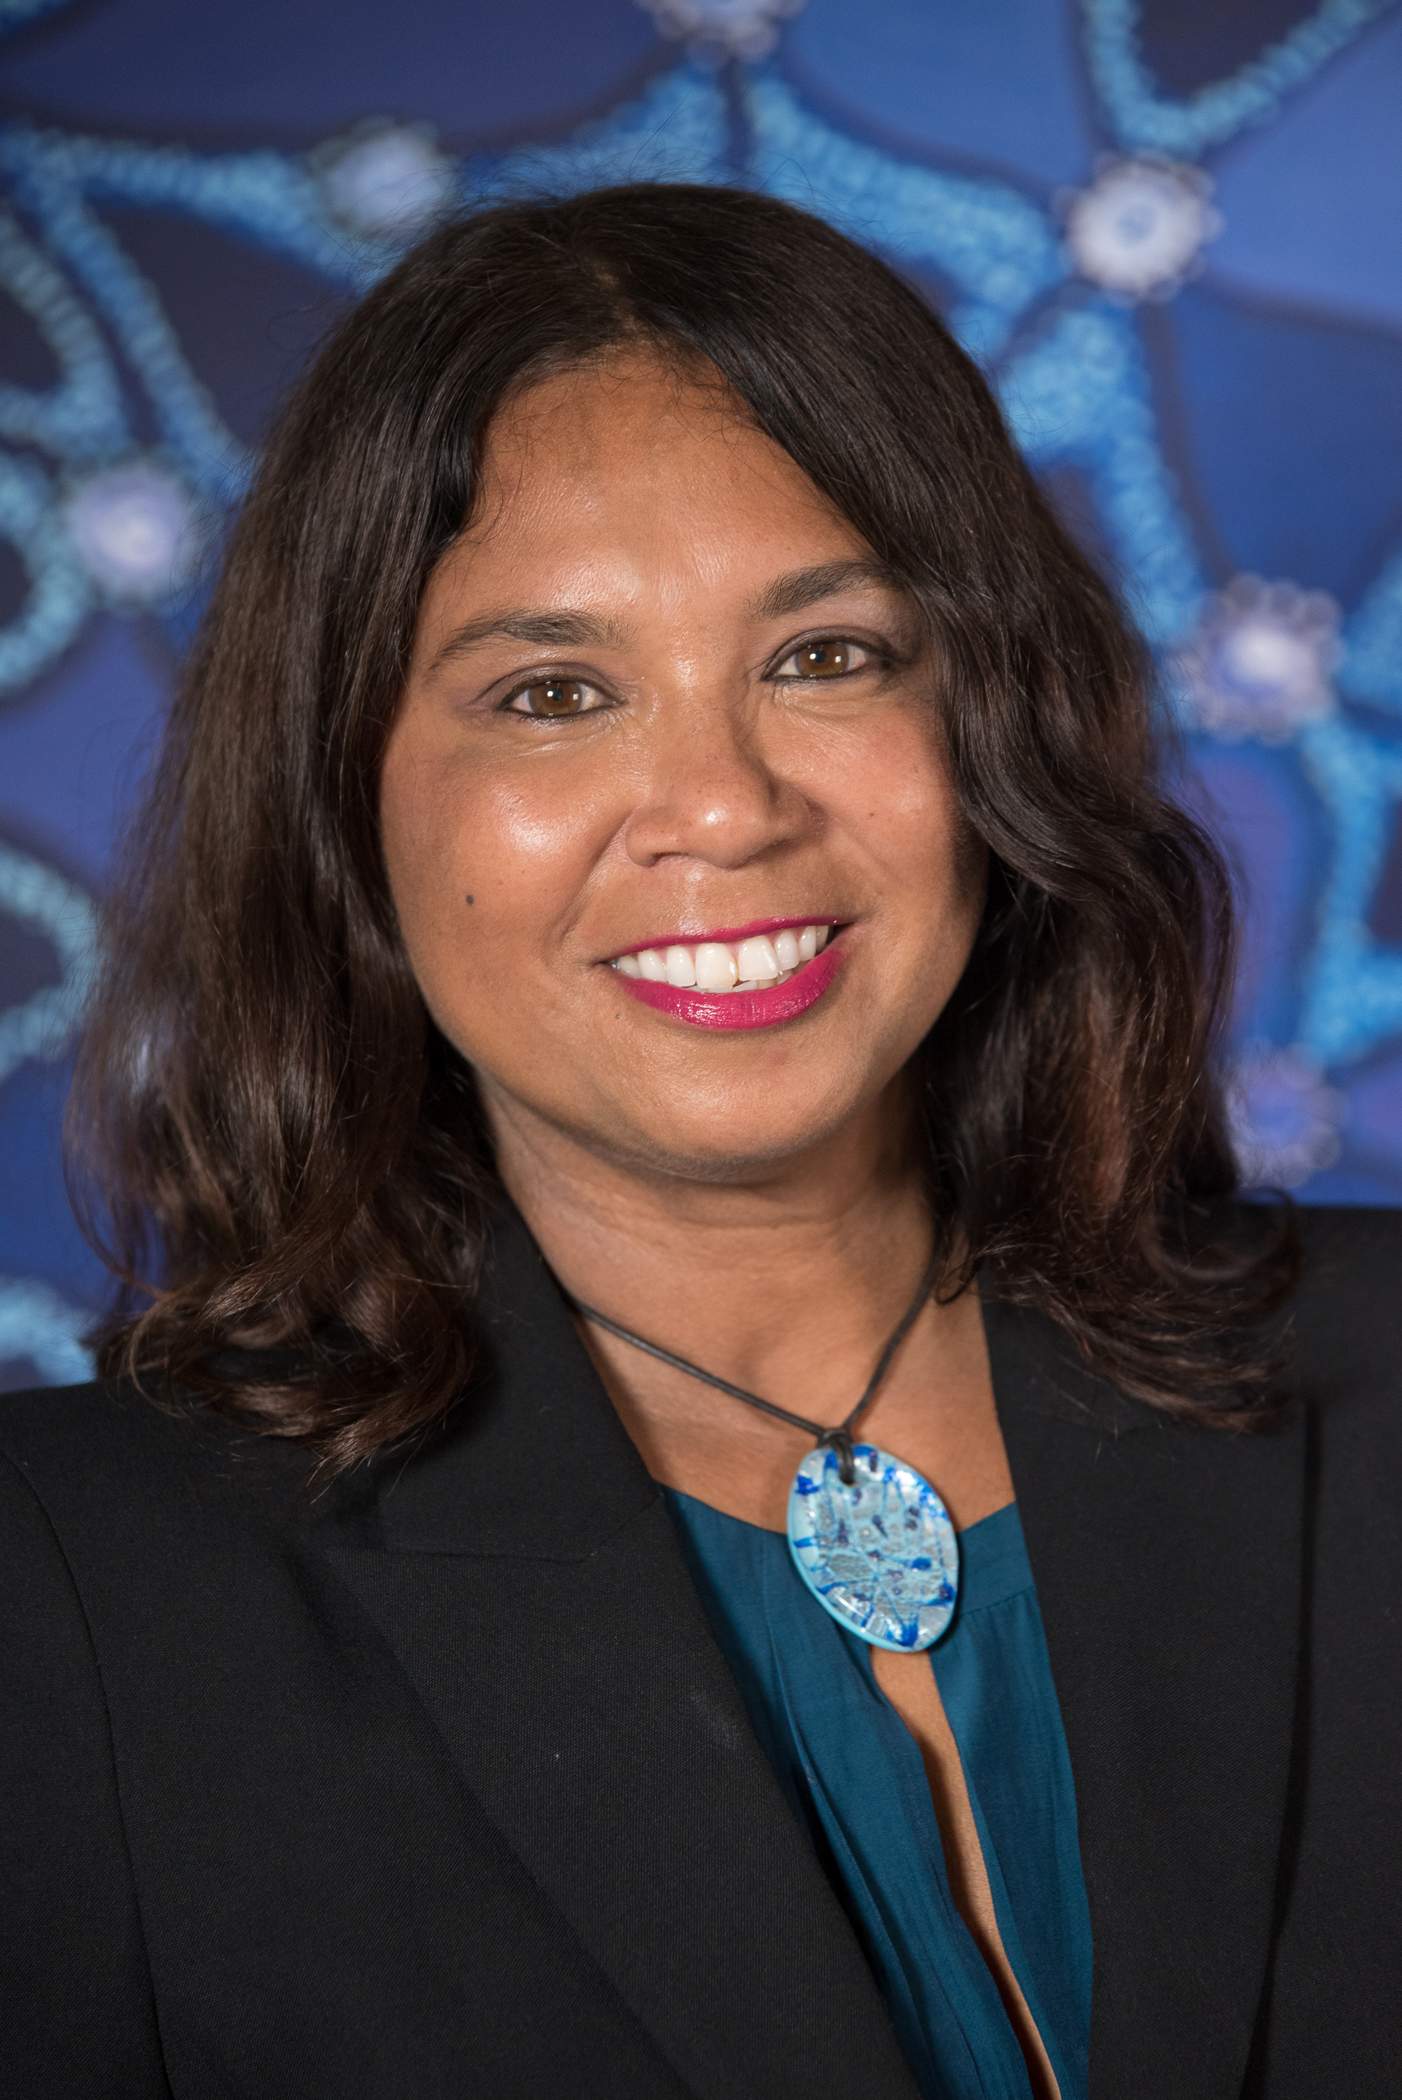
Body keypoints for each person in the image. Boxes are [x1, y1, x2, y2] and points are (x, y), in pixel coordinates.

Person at [1, 180, 1398, 2100]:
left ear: (991, 717)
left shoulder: (1380, 1382)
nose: (722, 808)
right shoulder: (69, 1598)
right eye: (553, 694)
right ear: (349, 810)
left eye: (825, 656)